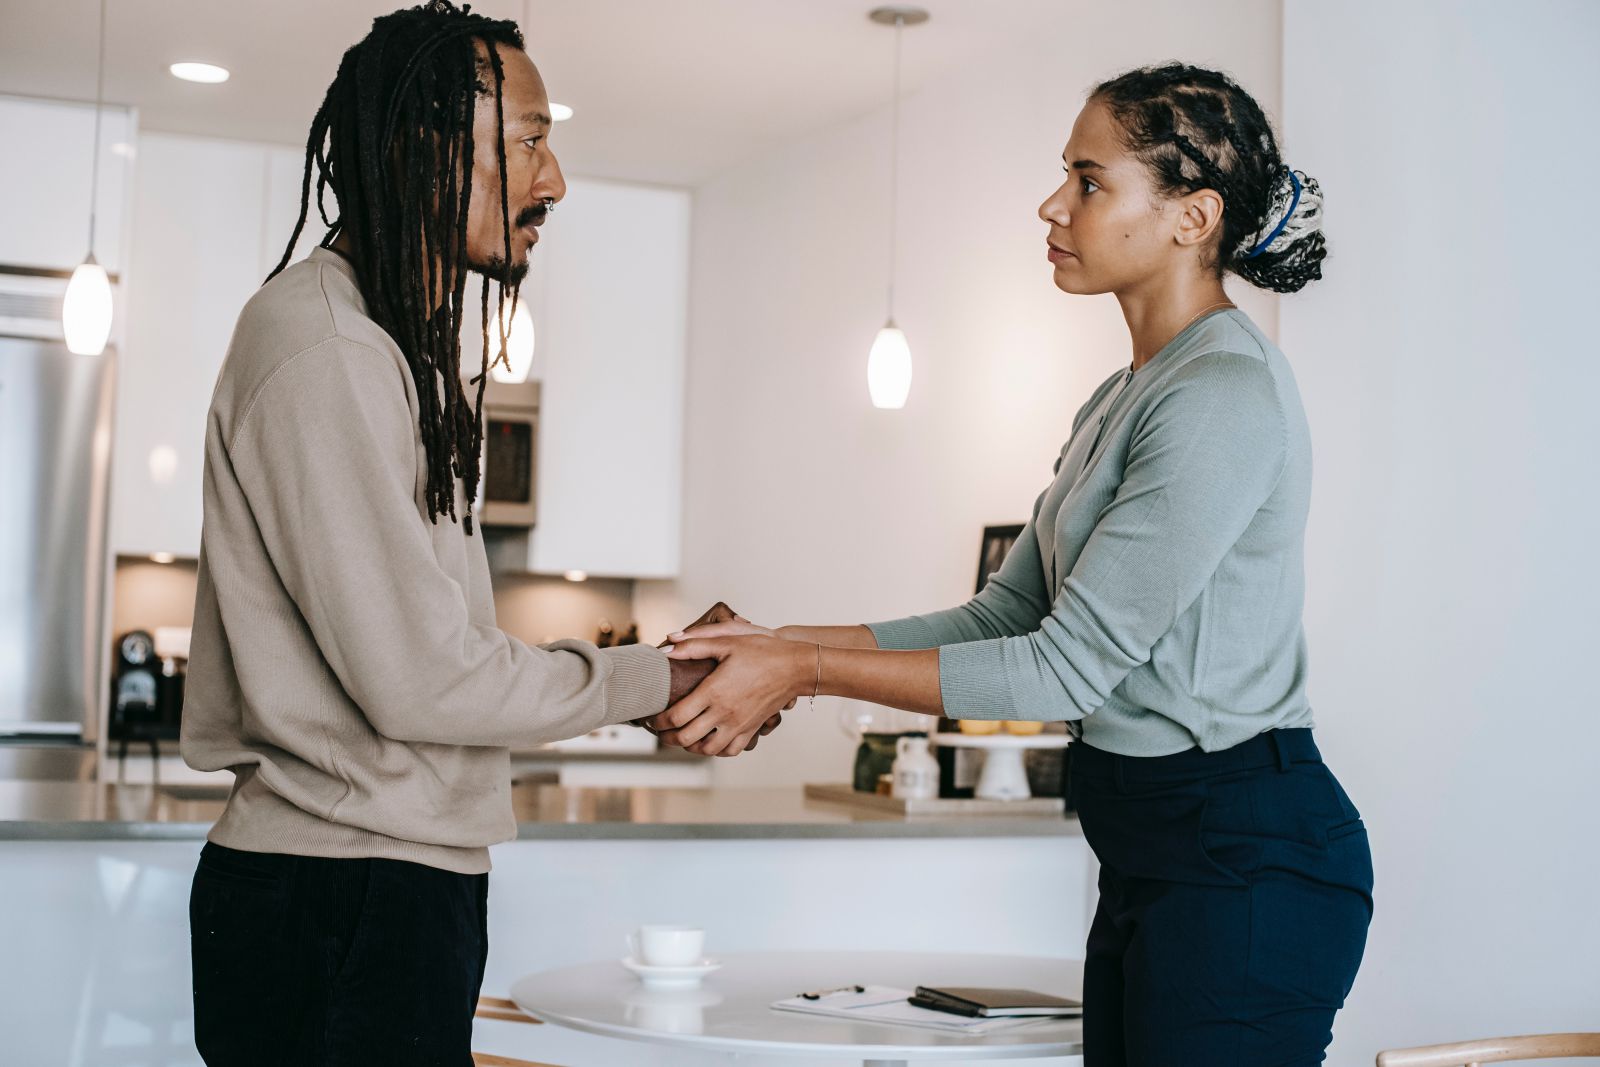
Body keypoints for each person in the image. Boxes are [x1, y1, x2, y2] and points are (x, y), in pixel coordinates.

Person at [652, 63, 1373, 1066]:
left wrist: (803, 669)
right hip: (1157, 853)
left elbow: (1065, 668)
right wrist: (775, 642)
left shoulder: (1219, 392)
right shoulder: (1125, 395)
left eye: (1088, 181)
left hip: (1242, 858)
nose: (1052, 204)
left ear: (1191, 216)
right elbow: (1003, 619)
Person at [179, 4, 769, 1063]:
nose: (556, 180)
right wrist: (657, 678)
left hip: (377, 884)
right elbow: (423, 679)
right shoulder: (330, 350)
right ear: (427, 144)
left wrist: (651, 676)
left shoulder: (390, 339)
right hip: (339, 893)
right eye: (533, 138)